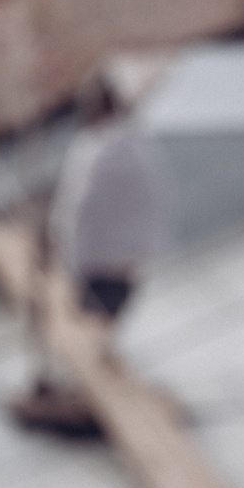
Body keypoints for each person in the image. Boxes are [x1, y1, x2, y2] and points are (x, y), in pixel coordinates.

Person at [47, 71, 172, 324]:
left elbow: (75, 208)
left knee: (88, 329)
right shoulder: (139, 142)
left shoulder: (90, 149)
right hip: (131, 268)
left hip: (94, 270)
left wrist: (67, 264)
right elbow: (157, 200)